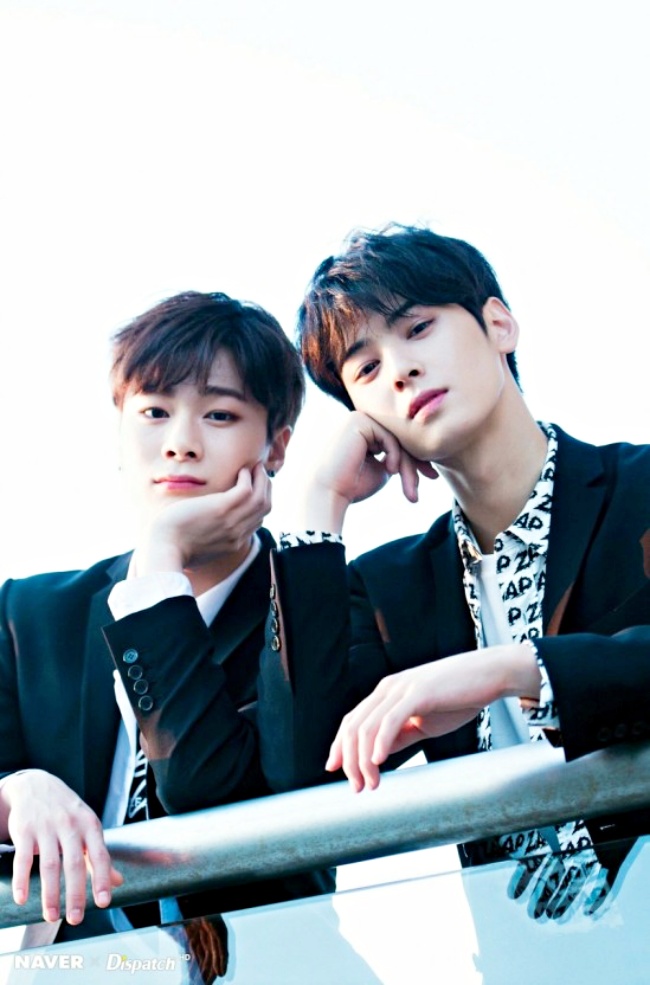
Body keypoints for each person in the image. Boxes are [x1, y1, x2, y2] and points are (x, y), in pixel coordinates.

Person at [258, 224, 650, 920]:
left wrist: (515, 669)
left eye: (418, 328)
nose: (400, 370)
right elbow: (295, 768)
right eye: (365, 370)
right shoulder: (391, 590)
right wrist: (319, 507)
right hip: (529, 960)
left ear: (499, 324)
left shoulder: (641, 489)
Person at [0, 290, 334, 949]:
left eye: (219, 414)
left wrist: (161, 559)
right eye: (154, 411)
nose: (180, 444)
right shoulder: (29, 616)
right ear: (120, 431)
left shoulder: (312, 612)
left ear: (277, 446)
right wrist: (18, 791)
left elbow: (231, 804)